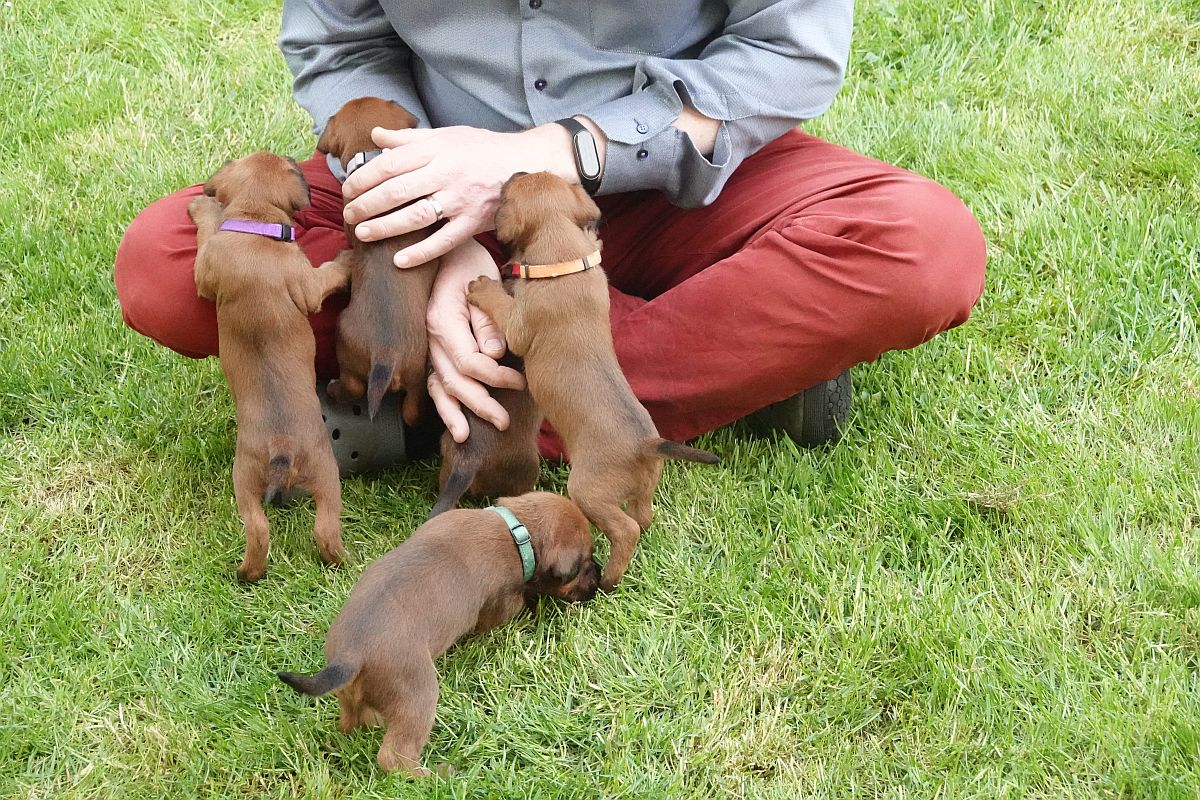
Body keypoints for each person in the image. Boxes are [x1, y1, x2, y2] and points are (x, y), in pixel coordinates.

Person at [114, 0, 986, 468]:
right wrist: (433, 236)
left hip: (663, 180)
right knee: (166, 266)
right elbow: (343, 49)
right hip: (425, 169)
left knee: (919, 246)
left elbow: (788, 52)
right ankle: (726, 370)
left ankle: (428, 408)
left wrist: (556, 152)